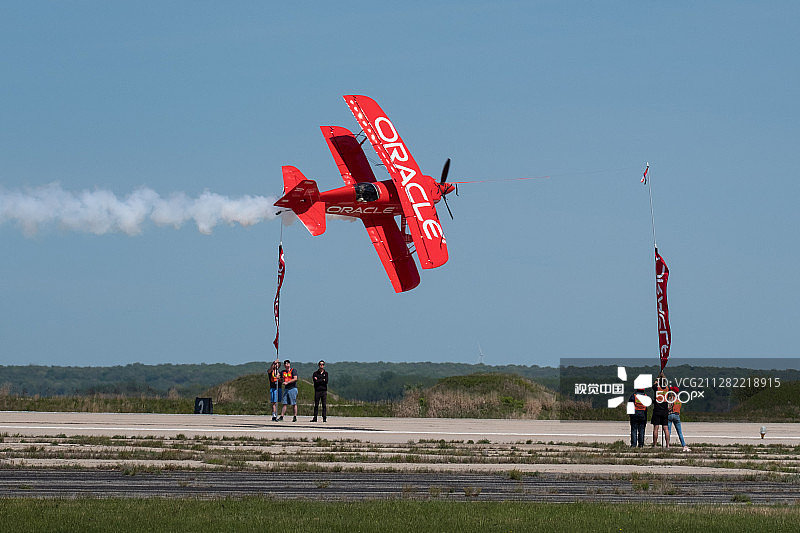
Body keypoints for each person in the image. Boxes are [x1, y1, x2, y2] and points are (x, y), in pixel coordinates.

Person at [667, 385, 691, 452]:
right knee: (680, 432)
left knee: (668, 432)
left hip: (670, 415)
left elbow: (668, 408)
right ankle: (684, 445)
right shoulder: (679, 399)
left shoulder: (670, 399)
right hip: (677, 415)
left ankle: (667, 445)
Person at [651, 373, 670, 448]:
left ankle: (655, 445)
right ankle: (667, 445)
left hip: (657, 409)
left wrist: (658, 378)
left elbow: (654, 385)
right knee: (666, 428)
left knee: (656, 428)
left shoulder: (656, 388)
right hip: (665, 410)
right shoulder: (667, 388)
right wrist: (663, 376)